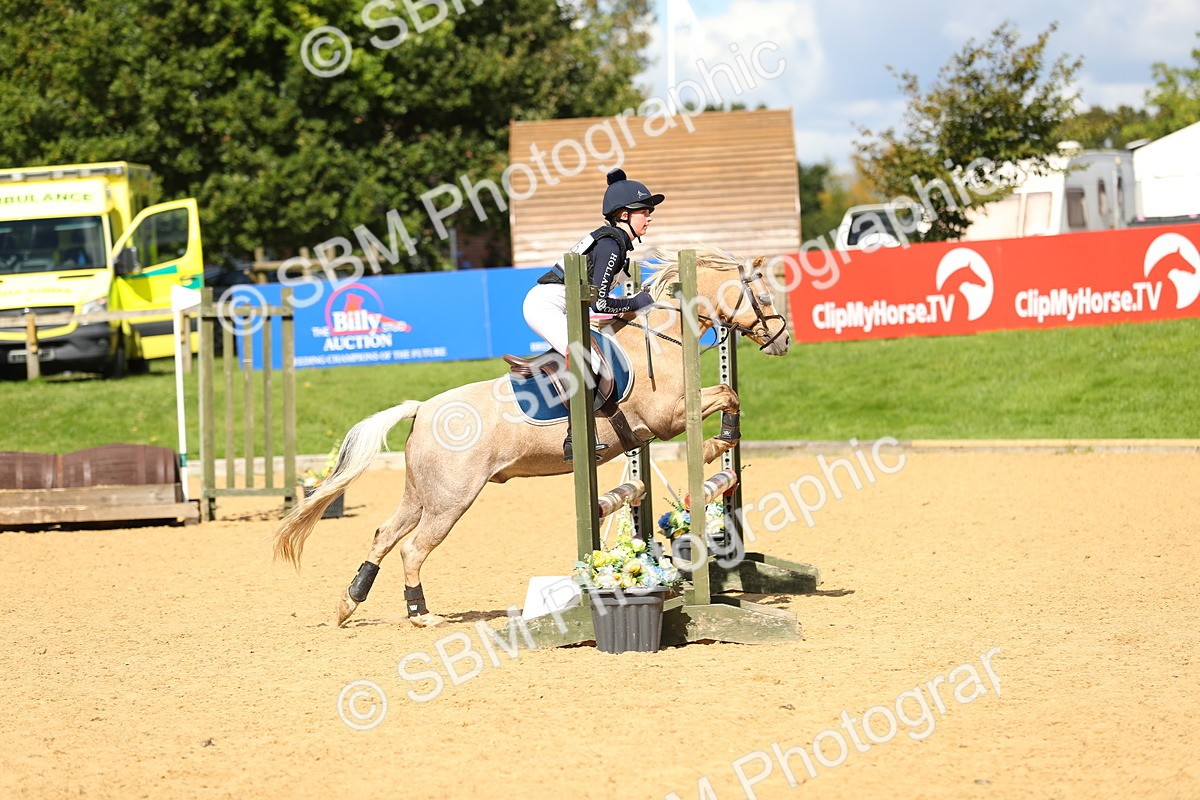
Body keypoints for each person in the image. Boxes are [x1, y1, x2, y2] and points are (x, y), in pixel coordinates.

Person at [523, 167, 664, 461]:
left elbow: (605, 302)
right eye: (644, 211)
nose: (649, 217)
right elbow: (601, 303)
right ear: (623, 214)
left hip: (568, 307)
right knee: (587, 357)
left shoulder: (617, 246)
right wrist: (638, 302)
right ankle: (576, 436)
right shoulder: (610, 245)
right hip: (546, 305)